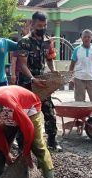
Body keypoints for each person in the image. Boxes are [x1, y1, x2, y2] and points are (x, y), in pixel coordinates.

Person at [17, 11, 62, 151]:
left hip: (42, 83)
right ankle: (22, 143)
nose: (42, 28)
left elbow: (50, 59)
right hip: (26, 84)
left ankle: (52, 141)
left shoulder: (48, 41)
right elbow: (23, 65)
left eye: (45, 25)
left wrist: (54, 72)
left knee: (49, 111)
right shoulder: (24, 42)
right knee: (24, 114)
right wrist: (32, 79)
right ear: (32, 24)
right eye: (39, 25)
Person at [69, 29, 92, 102]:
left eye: (88, 37)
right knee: (79, 102)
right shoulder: (77, 50)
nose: (86, 38)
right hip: (79, 79)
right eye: (85, 37)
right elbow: (72, 65)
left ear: (91, 37)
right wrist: (70, 79)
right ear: (81, 37)